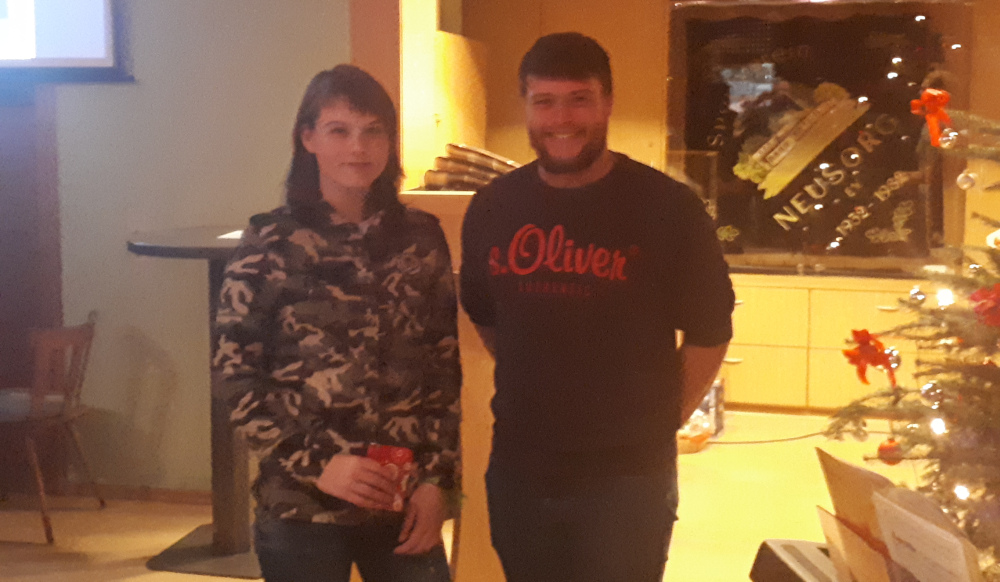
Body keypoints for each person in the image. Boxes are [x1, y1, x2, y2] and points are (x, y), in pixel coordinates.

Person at [459, 33, 735, 582]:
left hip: (626, 479)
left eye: (579, 99)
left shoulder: (668, 209)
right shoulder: (494, 207)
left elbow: (710, 333)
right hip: (521, 468)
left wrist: (660, 423)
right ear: (526, 107)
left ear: (607, 102)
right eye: (544, 101)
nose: (562, 118)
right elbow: (489, 319)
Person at [212, 65, 461, 582]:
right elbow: (234, 378)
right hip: (301, 506)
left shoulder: (421, 239)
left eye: (373, 131)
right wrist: (318, 464)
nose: (358, 147)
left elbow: (442, 372)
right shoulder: (270, 244)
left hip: (401, 497)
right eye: (339, 130)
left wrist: (438, 482)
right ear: (309, 139)